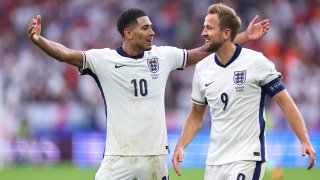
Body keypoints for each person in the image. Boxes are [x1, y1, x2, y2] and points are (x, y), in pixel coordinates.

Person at [27, 7, 269, 180]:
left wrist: (244, 37)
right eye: (145, 28)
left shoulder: (162, 56)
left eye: (152, 27)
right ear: (128, 33)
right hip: (118, 156)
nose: (152, 32)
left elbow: (203, 51)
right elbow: (66, 54)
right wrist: (39, 40)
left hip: (154, 158)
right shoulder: (104, 60)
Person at [172, 3, 316, 180]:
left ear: (226, 33)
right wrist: (180, 145)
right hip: (215, 162)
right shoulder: (202, 69)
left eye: (209, 28)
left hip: (247, 158)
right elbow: (195, 115)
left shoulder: (256, 62)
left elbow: (285, 102)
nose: (203, 33)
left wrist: (304, 140)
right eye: (204, 27)